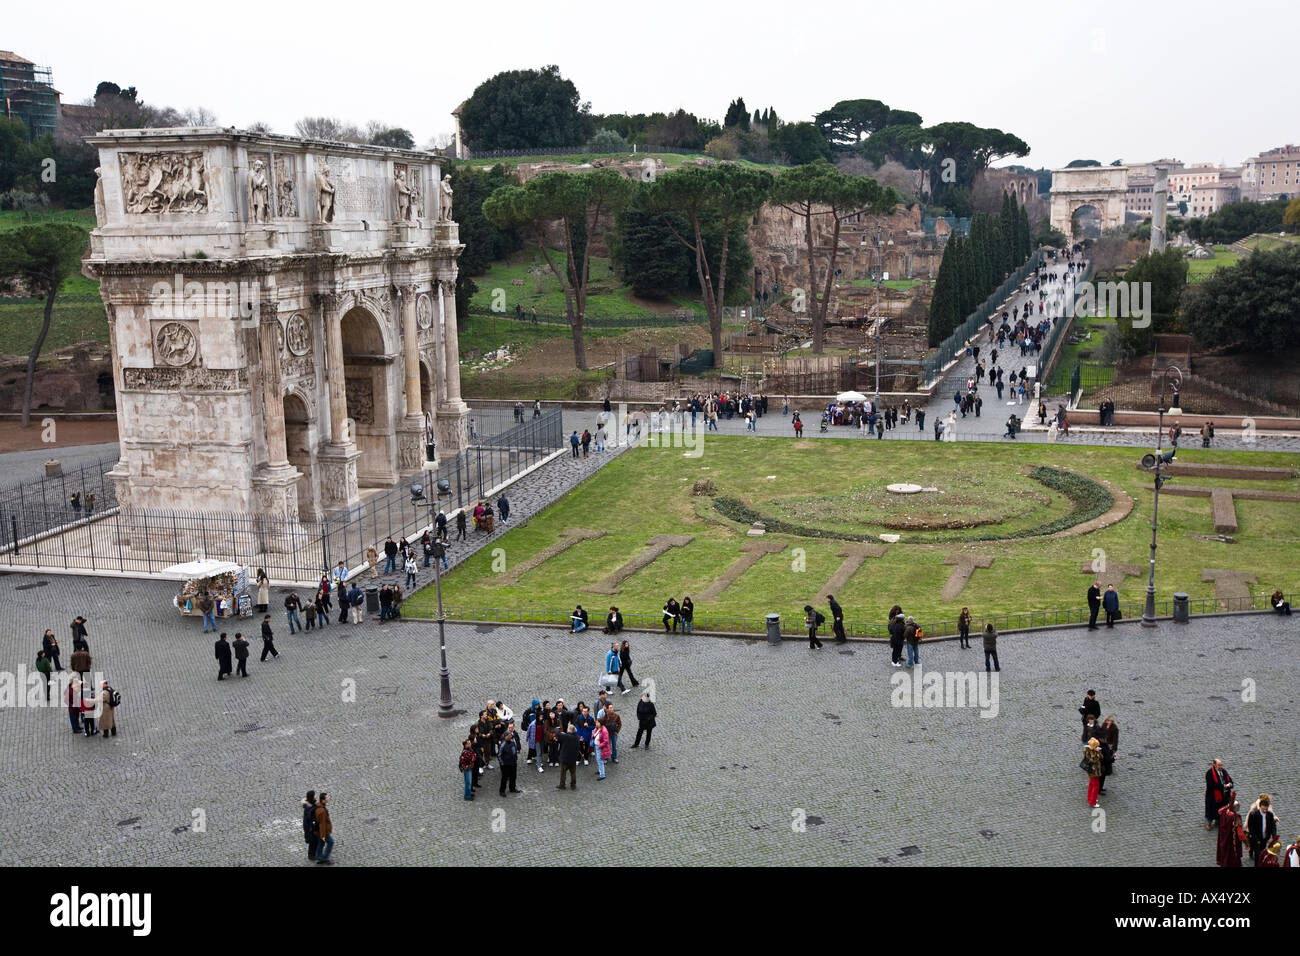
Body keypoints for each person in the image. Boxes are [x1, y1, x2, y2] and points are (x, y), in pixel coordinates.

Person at [1246, 795, 1278, 866]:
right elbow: (1251, 828)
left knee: (1262, 853)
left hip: (1264, 838)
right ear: (1260, 807)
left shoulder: (1269, 815)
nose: (1265, 811)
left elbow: (1273, 826)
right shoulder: (1253, 815)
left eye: (1266, 809)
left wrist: (1273, 836)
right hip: (1256, 838)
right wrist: (1256, 839)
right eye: (1263, 809)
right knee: (1258, 855)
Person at [1204, 759, 1235, 829]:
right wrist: (1222, 786)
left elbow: (1229, 779)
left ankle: (1219, 821)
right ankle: (1208, 823)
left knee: (1222, 809)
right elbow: (1211, 785)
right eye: (1219, 765)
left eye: (1221, 765)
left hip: (1224, 795)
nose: (1221, 766)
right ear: (1214, 765)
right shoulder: (1209, 773)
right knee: (1211, 810)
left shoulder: (1224, 772)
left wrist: (1230, 784)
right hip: (1213, 796)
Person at [1216, 798, 1247, 867]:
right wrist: (1246, 843)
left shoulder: (1224, 811)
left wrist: (1228, 805)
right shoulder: (1235, 818)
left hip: (1223, 838)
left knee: (1225, 853)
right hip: (1232, 840)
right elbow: (1240, 833)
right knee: (1232, 855)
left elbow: (1219, 811)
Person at [555, 725, 581, 790]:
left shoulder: (566, 736)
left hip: (565, 759)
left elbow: (557, 734)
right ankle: (573, 785)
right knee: (573, 773)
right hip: (573, 759)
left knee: (563, 773)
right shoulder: (577, 737)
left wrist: (557, 729)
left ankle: (562, 785)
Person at [497, 728, 521, 796]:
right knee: (504, 778)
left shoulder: (512, 742)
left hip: (513, 762)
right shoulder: (503, 745)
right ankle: (502, 791)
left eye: (511, 735)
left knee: (513, 776)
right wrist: (502, 763)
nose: (510, 736)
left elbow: (515, 750)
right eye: (509, 735)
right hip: (506, 764)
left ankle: (512, 788)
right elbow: (499, 755)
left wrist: (515, 758)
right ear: (505, 736)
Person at [1082, 737, 1104, 807]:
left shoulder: (1088, 750)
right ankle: (1093, 802)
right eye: (1096, 746)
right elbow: (1094, 760)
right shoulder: (1091, 753)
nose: (1098, 747)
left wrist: (1097, 751)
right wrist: (1097, 752)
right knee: (1096, 787)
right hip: (1094, 771)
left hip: (1092, 771)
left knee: (1091, 785)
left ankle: (1090, 798)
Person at [314, 793, 335, 863]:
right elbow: (322, 824)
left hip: (318, 831)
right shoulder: (322, 811)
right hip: (323, 831)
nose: (328, 799)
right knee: (331, 842)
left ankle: (319, 857)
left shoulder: (318, 805)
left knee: (321, 843)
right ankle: (324, 858)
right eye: (326, 798)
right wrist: (323, 835)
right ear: (323, 800)